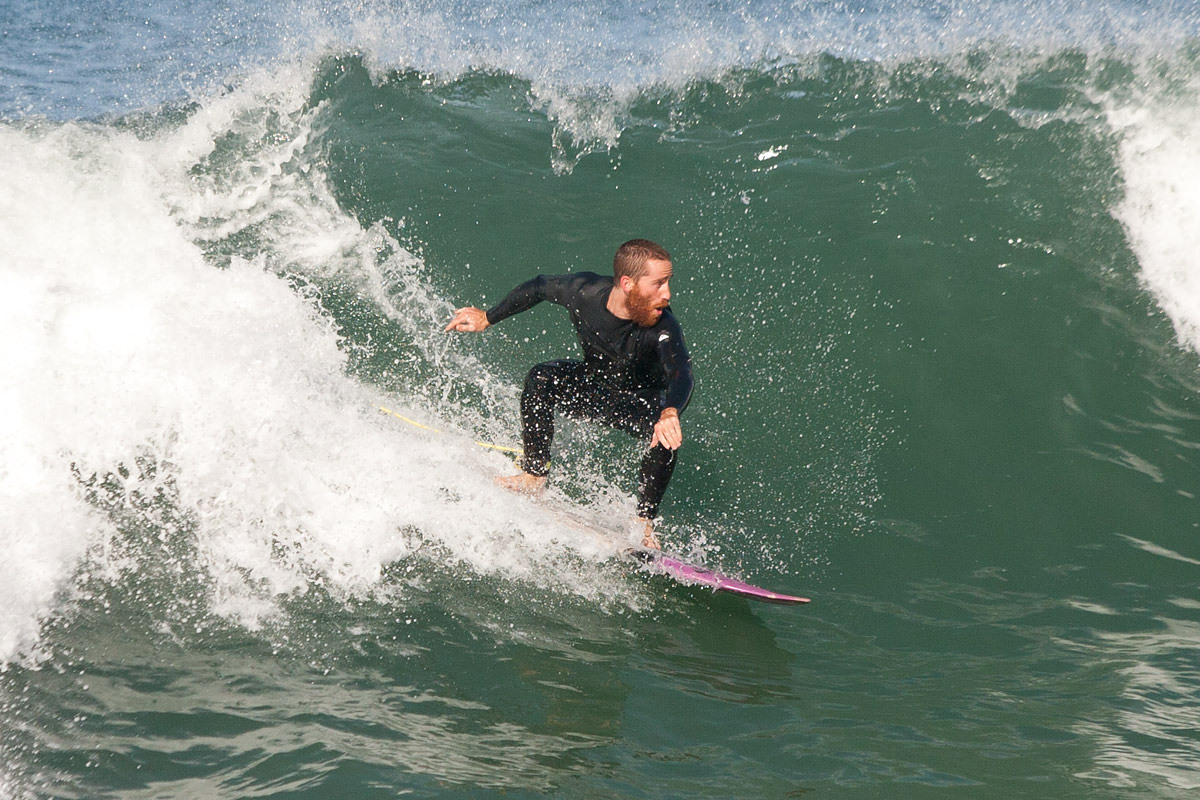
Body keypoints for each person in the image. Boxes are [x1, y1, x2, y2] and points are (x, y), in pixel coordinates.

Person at [444, 239, 693, 549]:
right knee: (542, 377)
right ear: (628, 284)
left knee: (666, 432)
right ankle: (534, 475)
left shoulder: (664, 325)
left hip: (639, 403)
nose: (667, 293)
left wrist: (670, 412)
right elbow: (538, 287)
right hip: (596, 388)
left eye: (667, 283)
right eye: (658, 284)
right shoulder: (584, 291)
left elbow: (680, 371)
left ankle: (643, 521)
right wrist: (487, 317)